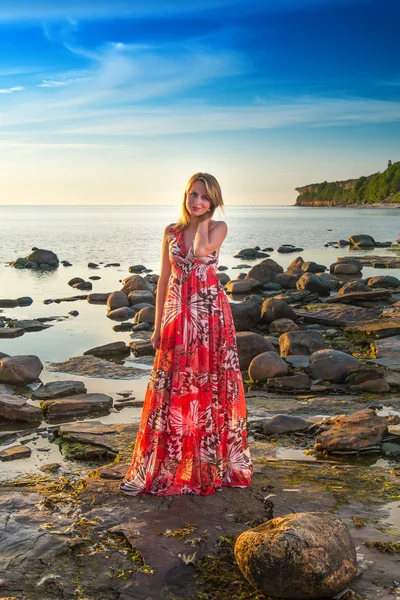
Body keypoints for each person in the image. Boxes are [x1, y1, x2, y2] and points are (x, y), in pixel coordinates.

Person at [120, 173, 252, 496]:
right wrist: (156, 325)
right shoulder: (170, 232)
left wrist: (204, 219)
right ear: (185, 195)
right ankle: (170, 464)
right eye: (193, 195)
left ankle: (208, 466)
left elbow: (200, 248)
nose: (197, 201)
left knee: (209, 390)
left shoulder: (218, 227)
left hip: (210, 317)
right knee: (173, 388)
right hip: (179, 317)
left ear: (213, 202)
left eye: (205, 198)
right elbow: (164, 281)